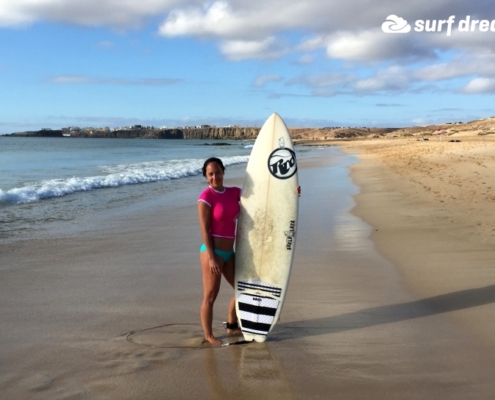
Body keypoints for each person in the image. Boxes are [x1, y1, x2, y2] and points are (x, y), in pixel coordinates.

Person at [198, 157, 240, 346]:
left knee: (242, 288)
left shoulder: (234, 193)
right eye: (211, 174)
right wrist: (213, 258)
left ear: (224, 172)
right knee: (211, 295)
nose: (215, 176)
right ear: (207, 177)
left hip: (229, 253)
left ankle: (232, 323)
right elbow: (204, 230)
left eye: (218, 172)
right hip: (211, 253)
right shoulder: (206, 197)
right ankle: (208, 335)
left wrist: (291, 192)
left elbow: (262, 197)